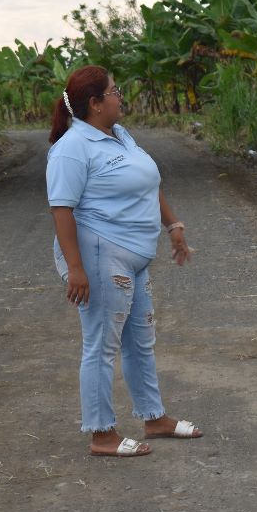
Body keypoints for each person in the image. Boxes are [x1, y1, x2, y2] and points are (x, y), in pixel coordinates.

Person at [46, 65, 203, 457]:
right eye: (114, 92)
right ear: (95, 103)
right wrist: (76, 268)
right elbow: (62, 210)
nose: (121, 97)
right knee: (101, 344)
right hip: (101, 256)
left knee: (140, 340)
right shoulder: (72, 148)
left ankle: (154, 417)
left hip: (134, 257)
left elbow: (148, 182)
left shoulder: (119, 135)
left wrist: (173, 225)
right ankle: (102, 434)